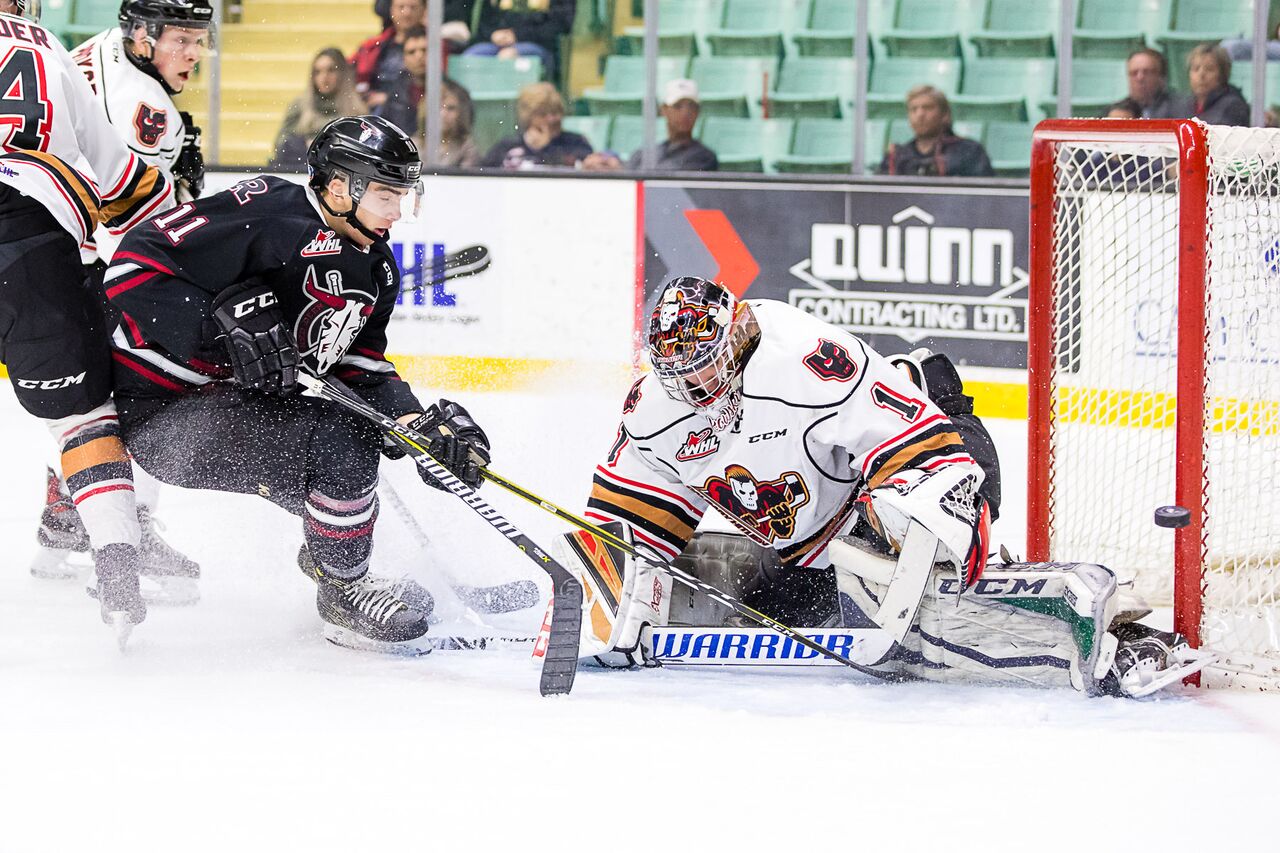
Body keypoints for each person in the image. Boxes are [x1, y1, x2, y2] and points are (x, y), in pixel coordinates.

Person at [551, 276, 1212, 697]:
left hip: (926, 447)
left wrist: (935, 530)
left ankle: (1095, 637)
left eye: (704, 363)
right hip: (811, 541)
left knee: (916, 576)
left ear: (738, 331)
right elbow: (625, 528)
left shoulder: (804, 361)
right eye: (678, 373)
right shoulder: (655, 412)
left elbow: (926, 449)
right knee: (812, 605)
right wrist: (607, 598)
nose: (694, 386)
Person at [103, 116, 492, 649]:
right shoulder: (268, 210)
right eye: (385, 195)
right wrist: (220, 325)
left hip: (235, 406)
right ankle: (344, 589)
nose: (396, 211)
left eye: (403, 196)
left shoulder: (375, 269)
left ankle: (334, 559)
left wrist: (417, 426)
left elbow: (359, 365)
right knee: (342, 441)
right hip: (163, 415)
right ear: (340, 187)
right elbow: (130, 271)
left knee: (352, 439)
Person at [30, 0, 216, 603]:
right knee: (149, 393)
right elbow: (130, 218)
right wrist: (179, 199)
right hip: (97, 262)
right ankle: (124, 532)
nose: (193, 53)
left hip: (49, 256)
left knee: (92, 402)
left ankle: (65, 520)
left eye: (198, 39)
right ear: (141, 34)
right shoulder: (146, 106)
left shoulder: (91, 49)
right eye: (180, 39)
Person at [0, 0, 174, 637]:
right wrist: (183, 222)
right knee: (85, 416)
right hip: (33, 242)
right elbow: (119, 175)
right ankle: (119, 571)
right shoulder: (42, 43)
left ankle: (72, 528)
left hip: (32, 239)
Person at [582, 79, 719, 172]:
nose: (685, 113)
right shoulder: (645, 153)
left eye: (692, 107)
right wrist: (605, 163)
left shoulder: (705, 157)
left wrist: (619, 169)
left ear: (698, 112)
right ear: (664, 110)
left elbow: (660, 180)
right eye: (678, 106)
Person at [270, 47, 365, 169]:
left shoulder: (357, 111)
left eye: (331, 70)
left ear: (342, 73)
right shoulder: (299, 106)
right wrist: (305, 146)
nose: (324, 77)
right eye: (318, 72)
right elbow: (281, 145)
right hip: (301, 169)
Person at [877, 85, 993, 177]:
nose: (920, 114)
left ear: (945, 114)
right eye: (913, 109)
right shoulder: (896, 156)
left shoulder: (969, 151)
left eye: (927, 108)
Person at [351, 0, 448, 108]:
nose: (406, 13)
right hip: (372, 105)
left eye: (413, 7)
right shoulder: (372, 45)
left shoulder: (436, 45)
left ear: (424, 10)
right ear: (391, 9)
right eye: (401, 7)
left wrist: (389, 99)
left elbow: (440, 85)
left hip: (415, 106)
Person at [479, 81, 591, 169]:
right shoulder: (508, 146)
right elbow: (482, 173)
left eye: (555, 112)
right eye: (543, 114)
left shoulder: (576, 143)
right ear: (528, 117)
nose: (551, 119)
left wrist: (545, 148)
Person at [461, 0, 575, 82]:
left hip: (539, 45)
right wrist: (493, 34)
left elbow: (562, 24)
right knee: (470, 57)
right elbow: (485, 21)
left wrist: (518, 35)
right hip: (497, 43)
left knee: (507, 58)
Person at [1173, 43, 1250, 126]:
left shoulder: (1233, 106)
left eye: (1209, 69)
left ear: (1222, 74)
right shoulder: (1182, 106)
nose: (1201, 75)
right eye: (1196, 69)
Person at [373, 25, 426, 138]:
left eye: (424, 50)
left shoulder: (452, 92)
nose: (419, 56)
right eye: (412, 52)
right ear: (404, 59)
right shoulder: (394, 96)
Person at [431, 77, 480, 167]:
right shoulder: (414, 145)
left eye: (450, 108)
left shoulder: (467, 149)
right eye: (438, 107)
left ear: (462, 113)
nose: (443, 114)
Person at [1126, 48, 1177, 119]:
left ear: (1161, 77)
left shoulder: (1180, 109)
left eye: (1147, 72)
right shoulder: (1119, 111)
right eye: (1134, 73)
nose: (1139, 78)